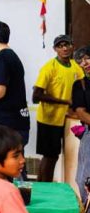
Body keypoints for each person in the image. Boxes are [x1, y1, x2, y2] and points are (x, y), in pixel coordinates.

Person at [33, 35, 84, 182]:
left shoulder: (75, 66)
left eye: (67, 45)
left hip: (65, 119)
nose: (64, 48)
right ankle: (44, 187)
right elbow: (36, 96)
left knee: (54, 156)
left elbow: (83, 85)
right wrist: (64, 101)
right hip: (49, 119)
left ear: (73, 46)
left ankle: (42, 186)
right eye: (60, 46)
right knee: (50, 156)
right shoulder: (49, 68)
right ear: (55, 49)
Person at [70, 46, 90, 203]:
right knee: (84, 177)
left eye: (87, 58)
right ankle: (88, 210)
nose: (84, 63)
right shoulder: (80, 85)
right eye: (80, 61)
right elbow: (81, 113)